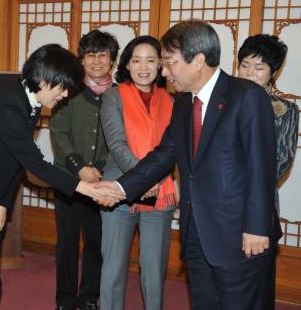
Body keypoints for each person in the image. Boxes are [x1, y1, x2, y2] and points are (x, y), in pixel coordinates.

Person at [101, 20, 281, 309]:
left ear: (198, 60)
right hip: (196, 232)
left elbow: (262, 167)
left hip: (240, 235)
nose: (164, 72)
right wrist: (121, 187)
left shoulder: (246, 96)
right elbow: (164, 155)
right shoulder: (184, 104)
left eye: (169, 63)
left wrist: (257, 227)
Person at [0, 44, 125, 310]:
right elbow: (35, 164)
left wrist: (3, 203)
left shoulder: (32, 104)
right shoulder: (8, 107)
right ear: (45, 78)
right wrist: (90, 189)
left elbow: (15, 162)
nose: (65, 94)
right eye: (62, 87)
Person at [100, 35, 177, 310]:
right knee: (114, 266)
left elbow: (174, 149)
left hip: (160, 192)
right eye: (136, 60)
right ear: (127, 65)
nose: (143, 67)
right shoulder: (113, 96)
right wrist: (142, 180)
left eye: (151, 60)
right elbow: (117, 143)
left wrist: (151, 181)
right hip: (120, 190)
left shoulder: (172, 100)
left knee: (154, 268)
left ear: (160, 66)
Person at [50, 30, 119, 310]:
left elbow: (120, 139)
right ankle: (65, 300)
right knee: (66, 243)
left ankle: (89, 297)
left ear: (112, 60)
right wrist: (80, 168)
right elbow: (58, 132)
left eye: (102, 54)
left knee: (96, 242)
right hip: (68, 179)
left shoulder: (120, 94)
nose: (96, 60)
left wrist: (98, 170)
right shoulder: (68, 90)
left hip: (104, 182)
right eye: (90, 55)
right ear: (82, 59)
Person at [237, 33, 299, 309]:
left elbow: (281, 161)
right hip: (220, 206)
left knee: (257, 280)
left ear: (273, 72)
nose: (250, 73)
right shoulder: (221, 102)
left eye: (259, 67)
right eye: (245, 65)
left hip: (258, 205)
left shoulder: (284, 110)